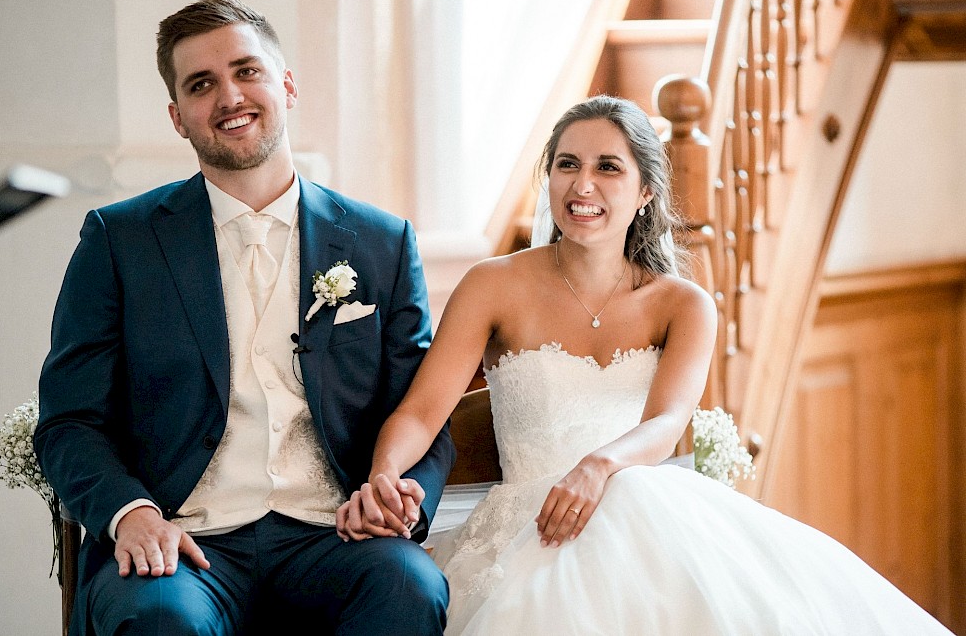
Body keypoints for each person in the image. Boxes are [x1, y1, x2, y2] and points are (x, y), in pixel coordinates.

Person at [336, 95, 954, 634]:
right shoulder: (493, 285)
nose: (583, 186)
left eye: (609, 168)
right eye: (567, 165)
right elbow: (422, 411)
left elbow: (668, 422)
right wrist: (385, 474)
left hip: (639, 497)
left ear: (645, 191)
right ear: (548, 179)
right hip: (528, 522)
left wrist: (599, 465)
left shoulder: (683, 303)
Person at [35, 0, 452, 636]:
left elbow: (423, 409)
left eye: (246, 71)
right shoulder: (119, 242)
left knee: (409, 586)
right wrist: (129, 513)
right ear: (179, 118)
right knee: (158, 618)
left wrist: (400, 496)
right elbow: (69, 421)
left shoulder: (381, 241)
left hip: (331, 536)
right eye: (202, 85)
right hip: (184, 543)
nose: (229, 96)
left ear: (285, 84)